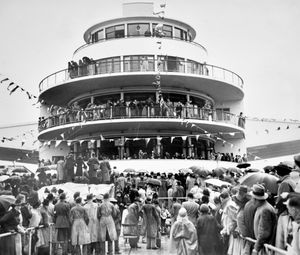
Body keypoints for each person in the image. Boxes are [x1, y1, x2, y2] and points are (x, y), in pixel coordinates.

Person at [250, 184, 277, 254]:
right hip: (263, 246)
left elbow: (264, 233)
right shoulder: (262, 207)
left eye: (252, 198)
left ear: (255, 199)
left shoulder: (265, 210)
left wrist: (256, 248)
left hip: (265, 248)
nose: (251, 200)